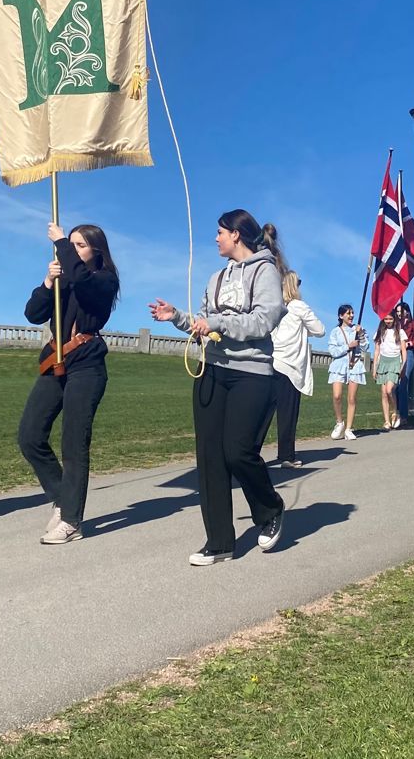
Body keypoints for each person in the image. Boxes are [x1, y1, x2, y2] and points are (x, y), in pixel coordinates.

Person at [149, 210, 288, 566]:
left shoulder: (265, 271)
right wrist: (177, 317)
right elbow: (203, 323)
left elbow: (264, 320)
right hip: (211, 371)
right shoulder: (215, 278)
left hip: (251, 372)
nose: (216, 239)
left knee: (237, 451)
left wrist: (219, 323)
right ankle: (219, 542)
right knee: (210, 457)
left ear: (236, 235)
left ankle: (270, 509)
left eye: (220, 233)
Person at [17, 223, 120, 545]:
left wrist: (61, 242)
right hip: (55, 361)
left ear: (96, 251)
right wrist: (48, 283)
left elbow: (84, 282)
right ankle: (63, 497)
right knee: (30, 435)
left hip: (87, 364)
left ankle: (72, 521)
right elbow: (33, 314)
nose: (72, 250)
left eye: (80, 245)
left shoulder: (104, 279)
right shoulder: (64, 279)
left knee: (74, 442)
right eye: (70, 244)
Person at [261, 271, 325, 468]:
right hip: (290, 365)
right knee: (287, 413)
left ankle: (249, 452)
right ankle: (286, 455)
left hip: (272, 361)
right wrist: (304, 328)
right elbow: (320, 330)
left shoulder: (275, 307)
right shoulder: (299, 306)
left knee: (264, 412)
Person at [326, 305, 367, 440]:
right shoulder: (335, 332)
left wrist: (361, 335)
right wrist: (348, 346)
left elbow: (365, 347)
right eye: (348, 313)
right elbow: (333, 351)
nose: (351, 316)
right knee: (337, 395)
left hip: (355, 365)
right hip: (339, 366)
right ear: (341, 316)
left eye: (352, 313)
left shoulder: (358, 330)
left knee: (352, 398)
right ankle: (339, 423)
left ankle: (349, 428)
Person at [371, 309, 408, 431]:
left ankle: (395, 411)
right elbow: (377, 350)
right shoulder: (380, 332)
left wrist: (403, 366)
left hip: (395, 361)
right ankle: (387, 421)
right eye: (386, 319)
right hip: (383, 362)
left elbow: (403, 350)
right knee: (383, 393)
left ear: (394, 319)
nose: (388, 321)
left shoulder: (400, 332)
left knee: (389, 390)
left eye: (390, 319)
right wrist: (374, 368)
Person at [392, 302, 414, 425]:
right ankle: (395, 412)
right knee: (394, 385)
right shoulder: (395, 324)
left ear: (407, 311)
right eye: (397, 311)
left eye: (401, 311)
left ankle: (403, 416)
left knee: (403, 382)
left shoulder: (413, 324)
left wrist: (410, 343)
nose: (399, 313)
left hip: (409, 353)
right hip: (396, 353)